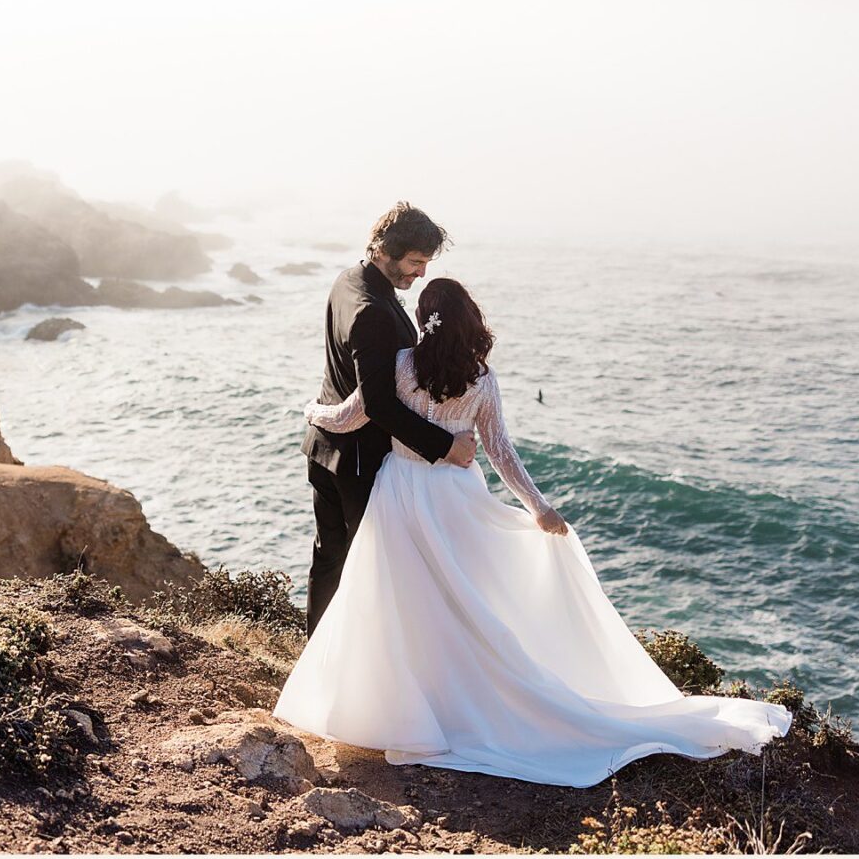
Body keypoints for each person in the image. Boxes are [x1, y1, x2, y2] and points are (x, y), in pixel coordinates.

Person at [274, 278, 792, 787]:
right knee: (463, 604)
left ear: (424, 322)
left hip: (399, 493)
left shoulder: (400, 366)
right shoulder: (482, 379)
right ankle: (464, 700)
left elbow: (345, 419)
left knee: (401, 601)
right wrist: (539, 507)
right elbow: (500, 452)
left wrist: (308, 409)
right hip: (455, 499)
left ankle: (412, 708)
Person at [300, 202, 477, 636]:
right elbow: (379, 404)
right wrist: (445, 445)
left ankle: (317, 658)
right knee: (369, 567)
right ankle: (352, 668)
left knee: (330, 557)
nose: (419, 275)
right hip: (358, 461)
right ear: (384, 250)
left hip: (323, 449)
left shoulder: (348, 280)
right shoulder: (374, 312)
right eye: (415, 262)